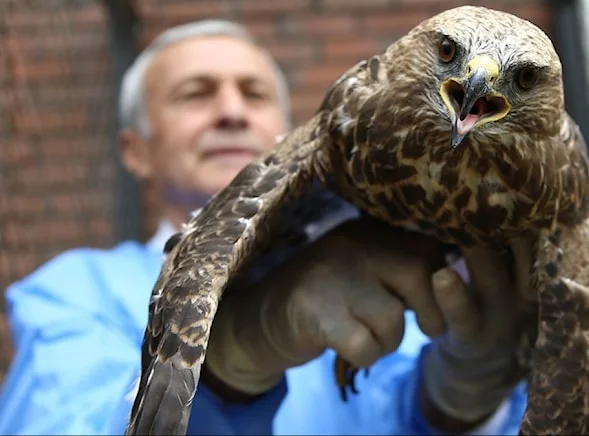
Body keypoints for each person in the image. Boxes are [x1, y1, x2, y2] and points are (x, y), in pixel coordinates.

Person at [0, 20, 529, 435]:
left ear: (283, 131)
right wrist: (235, 357)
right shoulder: (74, 292)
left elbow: (401, 409)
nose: (231, 111)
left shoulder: (385, 251)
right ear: (134, 151)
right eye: (195, 94)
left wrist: (459, 395)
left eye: (253, 94)